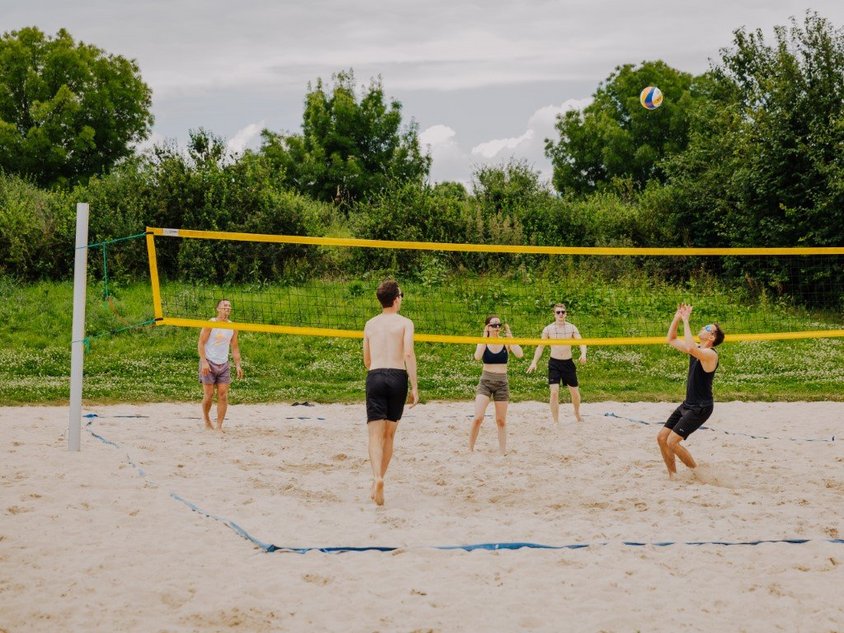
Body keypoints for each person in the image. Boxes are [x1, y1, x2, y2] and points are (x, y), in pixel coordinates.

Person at [362, 280, 419, 506]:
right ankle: (381, 478)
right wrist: (414, 385)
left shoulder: (370, 324)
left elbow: (366, 359)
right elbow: (408, 353)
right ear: (396, 299)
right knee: (389, 436)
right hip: (397, 376)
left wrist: (376, 372)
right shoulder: (405, 322)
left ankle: (376, 478)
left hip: (375, 374)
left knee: (374, 436)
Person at [657, 303, 724, 479]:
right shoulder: (699, 349)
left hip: (701, 407)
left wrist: (686, 320)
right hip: (688, 404)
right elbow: (671, 339)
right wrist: (677, 318)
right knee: (662, 438)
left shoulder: (711, 354)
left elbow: (689, 348)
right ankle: (673, 475)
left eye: (707, 327)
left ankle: (698, 473)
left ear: (711, 336)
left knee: (672, 441)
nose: (703, 327)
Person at [469, 315, 524, 455]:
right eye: (493, 325)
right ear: (487, 327)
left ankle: (502, 451)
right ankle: (470, 448)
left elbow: (520, 354)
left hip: (502, 383)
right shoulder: (484, 342)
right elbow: (477, 356)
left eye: (498, 325)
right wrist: (484, 336)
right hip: (486, 382)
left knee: (501, 420)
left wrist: (510, 337)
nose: (497, 327)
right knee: (478, 418)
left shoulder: (505, 342)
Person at [527, 303, 587, 423]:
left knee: (574, 393)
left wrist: (583, 353)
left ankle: (577, 413)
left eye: (563, 312)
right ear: (554, 314)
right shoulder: (548, 329)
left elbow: (582, 342)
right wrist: (534, 362)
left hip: (568, 363)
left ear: (566, 314)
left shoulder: (572, 327)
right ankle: (556, 421)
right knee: (554, 393)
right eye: (558, 312)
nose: (560, 314)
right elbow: (540, 347)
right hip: (554, 363)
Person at [197, 299, 244, 431]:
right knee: (209, 394)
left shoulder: (232, 326)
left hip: (223, 364)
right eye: (225, 306)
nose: (228, 308)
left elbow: (235, 347)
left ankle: (219, 426)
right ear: (218, 309)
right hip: (209, 362)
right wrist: (204, 362)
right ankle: (206, 420)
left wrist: (238, 365)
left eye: (229, 306)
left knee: (223, 395)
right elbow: (201, 343)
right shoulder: (210, 323)